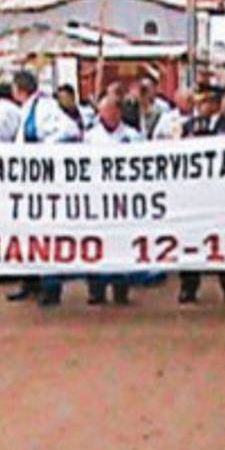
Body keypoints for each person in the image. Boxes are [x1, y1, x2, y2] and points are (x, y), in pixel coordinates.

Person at [12, 69, 81, 306]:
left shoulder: (45, 107)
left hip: (45, 179)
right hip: (29, 181)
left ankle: (51, 286)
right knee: (28, 232)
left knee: (46, 231)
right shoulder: (26, 110)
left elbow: (70, 130)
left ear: (19, 89)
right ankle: (30, 281)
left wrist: (43, 151)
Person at [179, 84, 225, 306]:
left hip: (223, 196)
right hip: (194, 195)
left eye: (206, 102)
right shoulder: (188, 127)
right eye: (199, 102)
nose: (202, 107)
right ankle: (188, 287)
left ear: (216, 103)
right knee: (191, 241)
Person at [84, 94, 144, 305]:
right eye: (102, 111)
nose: (106, 115)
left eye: (109, 111)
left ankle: (121, 288)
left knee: (120, 243)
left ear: (118, 112)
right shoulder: (90, 137)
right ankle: (95, 289)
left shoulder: (133, 136)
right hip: (97, 199)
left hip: (123, 200)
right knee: (95, 243)